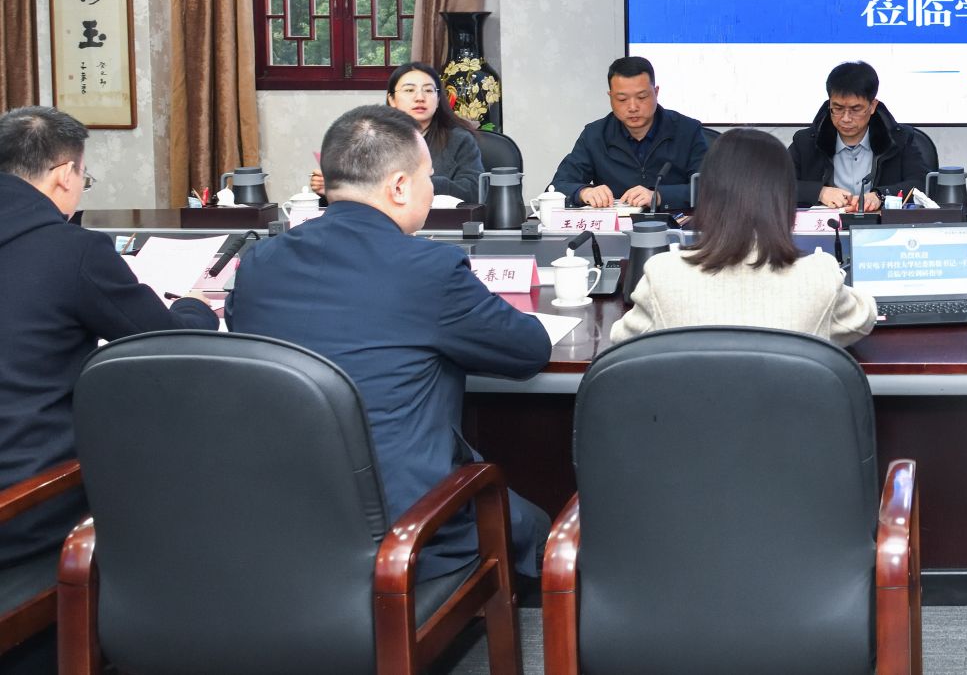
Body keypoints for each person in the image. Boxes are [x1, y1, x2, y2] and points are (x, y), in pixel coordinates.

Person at [229, 106, 553, 579]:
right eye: (428, 177)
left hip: (281, 523)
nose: (431, 189)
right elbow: (529, 350)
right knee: (541, 528)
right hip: (410, 534)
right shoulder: (429, 269)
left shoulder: (259, 263)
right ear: (400, 187)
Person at [0, 107, 216, 575]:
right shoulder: (70, 250)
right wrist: (195, 307)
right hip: (27, 508)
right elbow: (168, 346)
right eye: (85, 177)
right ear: (63, 175)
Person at [613, 129, 875, 346]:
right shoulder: (819, 276)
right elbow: (864, 317)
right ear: (784, 200)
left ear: (707, 196)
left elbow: (620, 339)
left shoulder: (664, 274)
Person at [309, 61, 484, 204]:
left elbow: (474, 191)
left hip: (440, 226)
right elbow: (359, 193)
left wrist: (418, 183)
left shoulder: (459, 140)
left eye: (428, 90)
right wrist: (331, 188)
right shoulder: (372, 136)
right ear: (391, 99)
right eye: (409, 90)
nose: (420, 97)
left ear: (438, 99)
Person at [552, 55, 708, 210]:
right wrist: (584, 192)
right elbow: (557, 186)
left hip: (674, 221)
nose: (633, 107)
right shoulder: (594, 135)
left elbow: (710, 188)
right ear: (610, 97)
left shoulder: (688, 130)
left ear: (656, 92)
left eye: (642, 97)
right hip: (616, 223)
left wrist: (660, 196)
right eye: (622, 99)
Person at [789, 61, 935, 211]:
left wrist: (880, 195)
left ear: (872, 106)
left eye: (856, 109)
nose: (846, 118)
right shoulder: (806, 142)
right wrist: (820, 192)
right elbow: (779, 184)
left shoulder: (899, 140)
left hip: (881, 224)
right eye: (837, 108)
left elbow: (922, 184)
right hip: (825, 223)